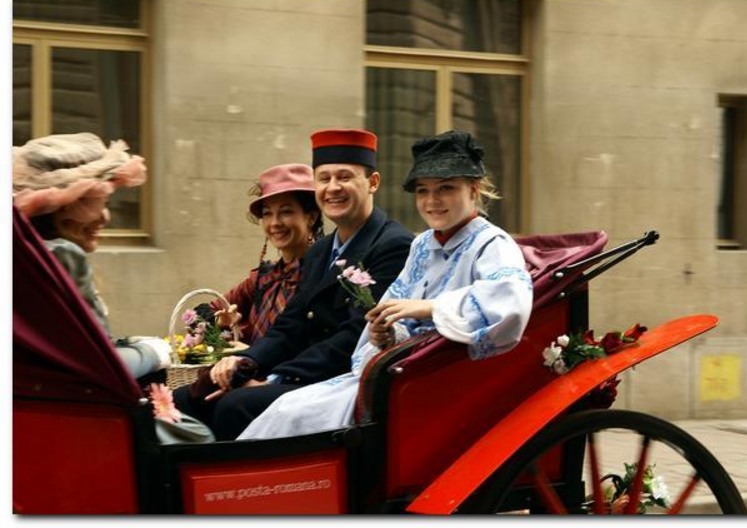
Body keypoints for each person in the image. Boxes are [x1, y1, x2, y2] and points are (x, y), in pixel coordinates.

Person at [237, 130, 534, 441]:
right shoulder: (422, 245)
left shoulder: (492, 243)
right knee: (285, 409)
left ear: (473, 189)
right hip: (406, 372)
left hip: (445, 379)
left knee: (291, 413)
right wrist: (386, 332)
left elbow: (507, 305)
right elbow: (395, 309)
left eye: (445, 188)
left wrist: (429, 308)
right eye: (422, 191)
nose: (432, 201)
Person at [173, 128, 415, 440]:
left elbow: (353, 338)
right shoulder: (320, 251)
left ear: (373, 182)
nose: (333, 187)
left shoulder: (392, 245)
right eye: (324, 178)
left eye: (344, 177)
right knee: (186, 399)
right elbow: (289, 326)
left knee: (235, 406)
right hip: (301, 372)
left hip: (340, 381)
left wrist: (277, 378)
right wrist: (245, 361)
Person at [12, 132, 172, 379]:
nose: (105, 217)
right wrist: (153, 352)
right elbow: (100, 365)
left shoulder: (22, 254)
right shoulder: (62, 255)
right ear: (64, 208)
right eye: (99, 202)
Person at [201, 163, 324, 347]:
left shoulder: (323, 275)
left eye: (286, 212)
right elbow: (199, 315)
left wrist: (252, 354)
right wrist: (221, 321)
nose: (274, 223)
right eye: (267, 213)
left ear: (311, 217)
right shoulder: (263, 278)